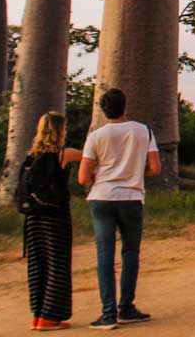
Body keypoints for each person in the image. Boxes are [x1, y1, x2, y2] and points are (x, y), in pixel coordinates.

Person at [79, 88, 161, 330]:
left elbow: (83, 176)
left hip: (102, 198)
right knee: (130, 253)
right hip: (132, 198)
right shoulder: (142, 130)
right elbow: (155, 168)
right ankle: (126, 308)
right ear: (125, 106)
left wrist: (104, 176)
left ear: (103, 110)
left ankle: (107, 314)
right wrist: (134, 173)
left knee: (104, 256)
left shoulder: (96, 136)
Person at [21, 112, 82, 332]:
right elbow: (91, 156)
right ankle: (50, 317)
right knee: (58, 264)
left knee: (38, 265)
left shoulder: (31, 156)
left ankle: (38, 316)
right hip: (55, 218)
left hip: (33, 219)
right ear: (59, 130)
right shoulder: (63, 154)